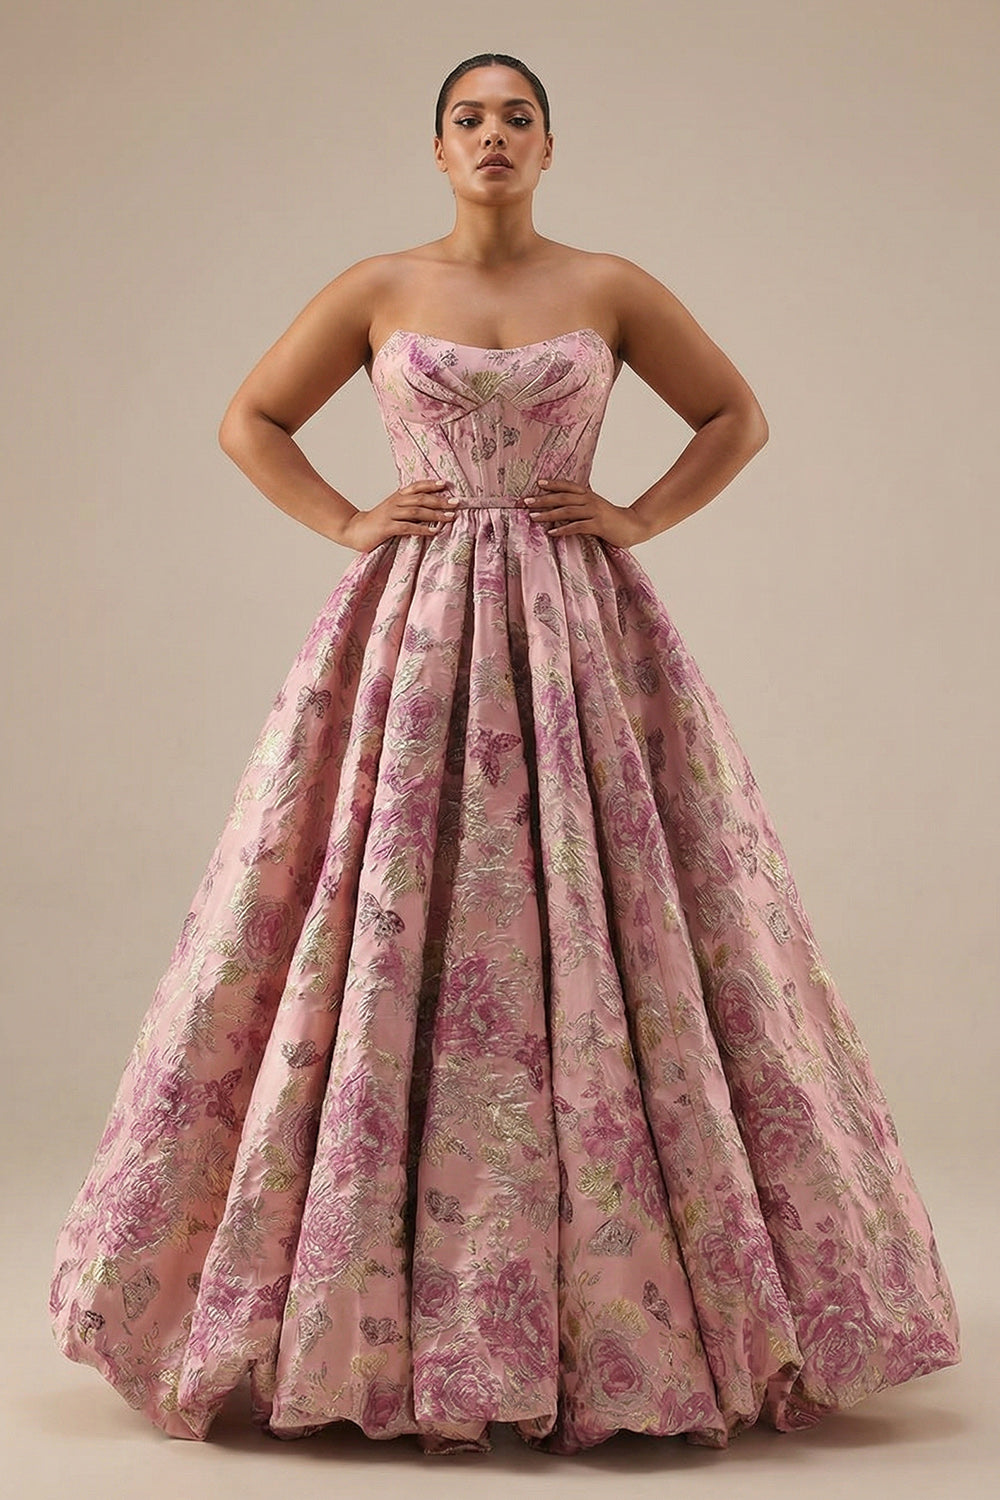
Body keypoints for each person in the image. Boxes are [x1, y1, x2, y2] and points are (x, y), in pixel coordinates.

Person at [48, 51, 961, 1458]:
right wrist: (349, 519)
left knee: (617, 916)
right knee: (370, 908)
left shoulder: (608, 286)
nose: (493, 135)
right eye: (468, 118)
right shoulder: (377, 286)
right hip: (411, 635)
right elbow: (251, 420)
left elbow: (737, 417)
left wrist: (637, 516)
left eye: (516, 117)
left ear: (548, 144)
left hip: (576, 631)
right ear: (437, 148)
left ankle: (621, 1319)